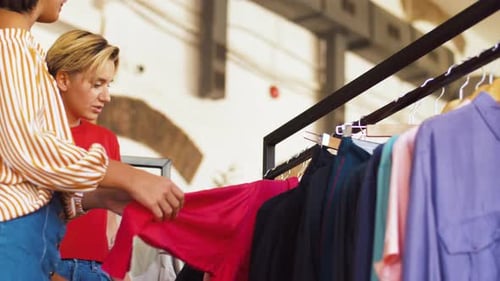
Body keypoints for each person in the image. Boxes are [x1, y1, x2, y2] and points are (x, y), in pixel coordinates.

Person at [0, 1, 184, 280]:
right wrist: (127, 176)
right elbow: (27, 147)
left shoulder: (25, 53)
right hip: (13, 240)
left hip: (31, 246)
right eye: (97, 84)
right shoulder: (10, 51)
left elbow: (25, 176)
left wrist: (100, 196)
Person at [44, 29, 127, 281]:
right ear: (63, 79)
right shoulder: (31, 137)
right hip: (46, 267)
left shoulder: (106, 140)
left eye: (108, 85)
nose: (106, 96)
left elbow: (111, 224)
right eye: (97, 84)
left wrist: (121, 272)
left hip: (99, 271)